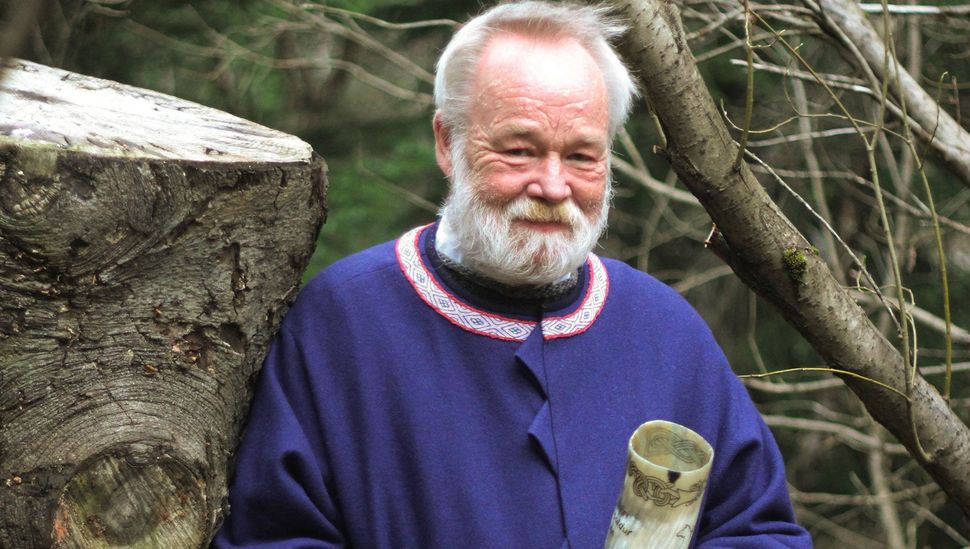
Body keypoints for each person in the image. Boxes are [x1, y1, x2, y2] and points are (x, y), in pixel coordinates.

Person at [212, 2, 813, 547]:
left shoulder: (666, 333)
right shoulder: (340, 327)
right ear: (449, 142)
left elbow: (756, 530)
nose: (552, 187)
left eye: (581, 155)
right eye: (520, 150)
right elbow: (276, 538)